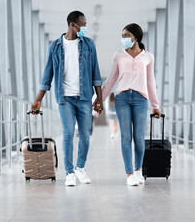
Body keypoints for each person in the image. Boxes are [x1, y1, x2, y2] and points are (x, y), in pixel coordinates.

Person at [32, 11, 103, 186]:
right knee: (68, 133)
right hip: (65, 98)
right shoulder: (55, 46)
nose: (85, 27)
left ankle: (80, 167)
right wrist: (37, 100)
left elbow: (96, 74)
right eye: (83, 24)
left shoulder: (88, 45)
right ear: (73, 25)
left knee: (85, 135)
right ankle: (69, 172)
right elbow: (47, 75)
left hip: (85, 97)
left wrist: (99, 99)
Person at [94, 23, 161, 186]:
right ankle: (129, 173)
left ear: (135, 37)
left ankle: (138, 170)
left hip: (140, 99)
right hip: (122, 98)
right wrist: (99, 100)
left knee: (138, 137)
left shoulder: (148, 57)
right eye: (122, 35)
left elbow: (150, 81)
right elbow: (111, 80)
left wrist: (155, 105)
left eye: (126, 35)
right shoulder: (118, 55)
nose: (123, 38)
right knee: (125, 136)